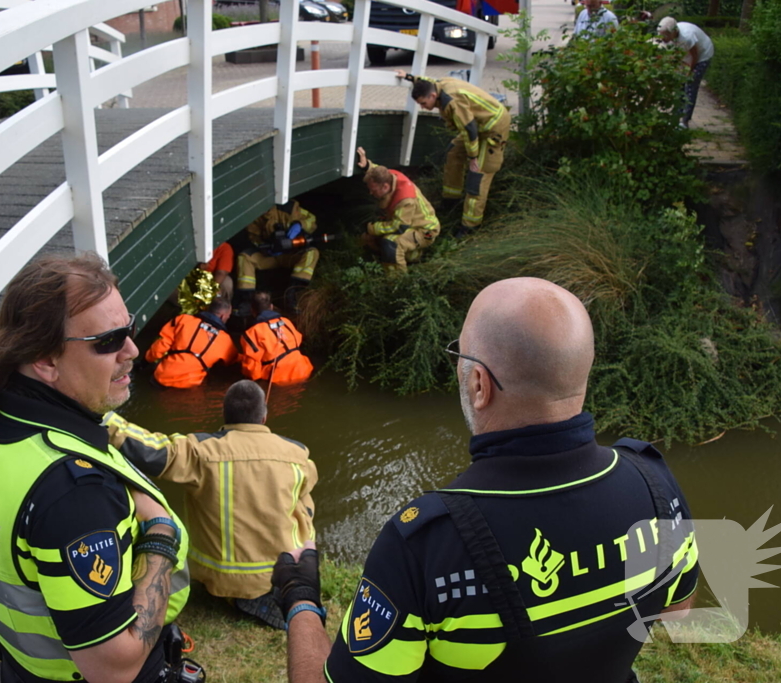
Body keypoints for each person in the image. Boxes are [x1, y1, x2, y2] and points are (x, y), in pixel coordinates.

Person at [272, 277, 700, 682]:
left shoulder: (427, 544)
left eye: (459, 355)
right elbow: (677, 607)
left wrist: (301, 598)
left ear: (479, 382)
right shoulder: (655, 484)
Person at [0, 253, 193, 683]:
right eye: (109, 341)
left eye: (129, 330)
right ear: (46, 361)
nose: (132, 350)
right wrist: (162, 534)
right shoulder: (76, 497)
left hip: (23, 665)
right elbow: (114, 668)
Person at [104, 379, 318, 629]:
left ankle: (242, 597)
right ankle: (274, 592)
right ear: (264, 417)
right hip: (283, 571)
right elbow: (306, 508)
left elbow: (148, 448)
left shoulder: (199, 452)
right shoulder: (298, 455)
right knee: (303, 502)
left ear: (224, 414)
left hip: (217, 577)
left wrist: (102, 417)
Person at [396, 71, 510, 239]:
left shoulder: (453, 102)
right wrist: (409, 77)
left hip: (492, 128)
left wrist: (473, 158)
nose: (423, 106)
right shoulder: (437, 86)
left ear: (433, 96)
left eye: (423, 102)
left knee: (477, 177)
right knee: (453, 153)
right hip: (478, 125)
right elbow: (426, 81)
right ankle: (451, 201)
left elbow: (469, 129)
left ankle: (469, 227)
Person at [355, 146, 440, 274]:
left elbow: (399, 227)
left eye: (374, 190)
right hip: (410, 224)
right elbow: (376, 171)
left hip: (425, 231)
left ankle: (396, 280)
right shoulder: (389, 176)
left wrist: (372, 228)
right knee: (371, 239)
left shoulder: (405, 200)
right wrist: (366, 165)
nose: (371, 193)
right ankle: (412, 256)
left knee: (391, 243)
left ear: (385, 187)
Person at [237, 200, 320, 314]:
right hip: (270, 254)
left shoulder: (289, 208)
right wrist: (264, 246)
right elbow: (253, 237)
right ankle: (246, 301)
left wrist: (299, 225)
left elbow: (312, 220)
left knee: (312, 252)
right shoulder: (254, 216)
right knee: (244, 257)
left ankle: (293, 293)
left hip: (290, 253)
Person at [145, 299, 238, 388]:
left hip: (162, 378)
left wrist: (145, 361)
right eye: (228, 316)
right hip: (190, 386)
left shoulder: (182, 320)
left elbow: (159, 348)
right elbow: (232, 363)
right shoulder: (226, 340)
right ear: (223, 316)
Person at [240, 291, 314, 385]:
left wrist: (257, 383)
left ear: (252, 311)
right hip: (303, 370)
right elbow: (298, 340)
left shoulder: (251, 333)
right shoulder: (287, 322)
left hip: (277, 377)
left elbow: (251, 369)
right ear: (271, 307)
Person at [658, 16, 715, 129]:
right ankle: (675, 118)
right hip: (686, 58)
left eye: (665, 35)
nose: (662, 38)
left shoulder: (687, 37)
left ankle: (685, 122)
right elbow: (673, 55)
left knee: (690, 86)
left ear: (673, 32)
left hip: (702, 56)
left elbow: (695, 56)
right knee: (679, 87)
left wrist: (689, 72)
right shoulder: (671, 37)